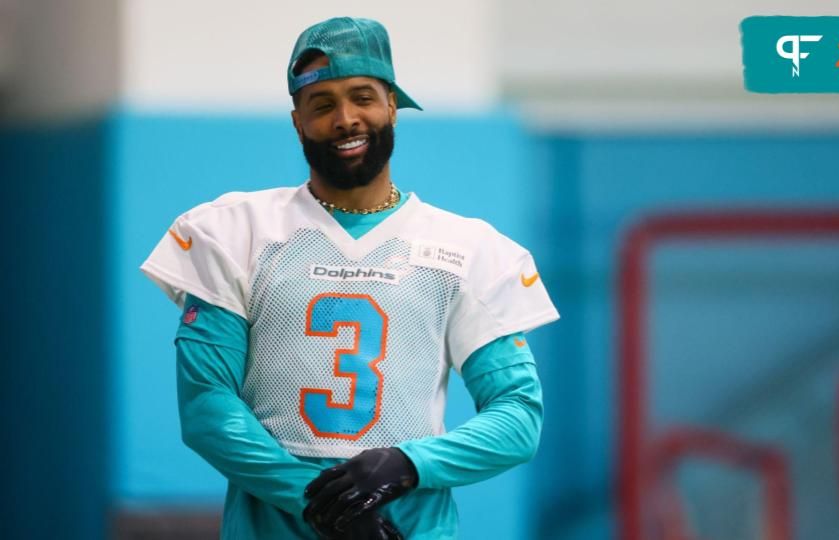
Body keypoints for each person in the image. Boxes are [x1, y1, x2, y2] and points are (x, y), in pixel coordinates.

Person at [141, 16, 559, 539]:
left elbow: (518, 419)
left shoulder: (468, 248)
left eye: (362, 97)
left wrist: (406, 465)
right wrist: (322, 505)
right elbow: (207, 406)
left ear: (391, 105)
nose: (345, 119)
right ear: (298, 122)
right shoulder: (236, 232)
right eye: (322, 105)